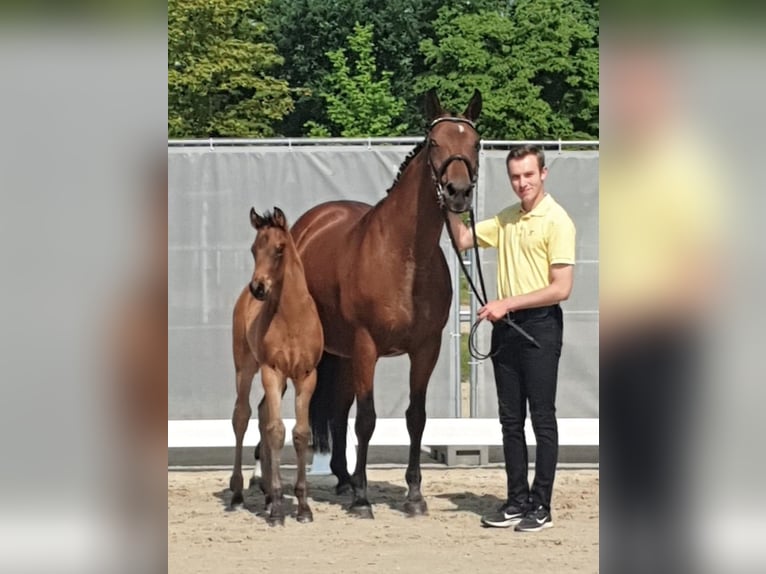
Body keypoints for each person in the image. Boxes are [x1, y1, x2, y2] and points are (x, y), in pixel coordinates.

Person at [447, 145, 575, 532]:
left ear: (543, 174)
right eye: (516, 177)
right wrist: (453, 202)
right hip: (507, 330)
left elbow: (561, 288)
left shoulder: (557, 221)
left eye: (528, 175)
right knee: (510, 420)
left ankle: (542, 504)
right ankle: (517, 499)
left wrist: (507, 303)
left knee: (542, 418)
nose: (522, 183)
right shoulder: (506, 219)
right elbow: (464, 240)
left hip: (539, 327)